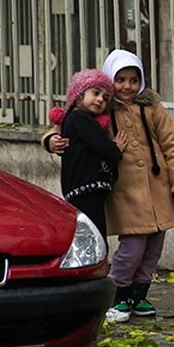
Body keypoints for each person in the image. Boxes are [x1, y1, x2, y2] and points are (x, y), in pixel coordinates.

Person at [47, 49, 174, 323]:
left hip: (159, 188)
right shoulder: (100, 109)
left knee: (153, 247)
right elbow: (65, 128)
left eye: (134, 80)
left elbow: (172, 144)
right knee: (132, 247)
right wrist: (49, 141)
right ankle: (119, 293)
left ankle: (139, 293)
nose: (127, 86)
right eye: (121, 79)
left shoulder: (151, 108)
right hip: (125, 192)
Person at [47, 69, 127, 239]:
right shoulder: (80, 119)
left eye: (106, 98)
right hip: (86, 189)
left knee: (89, 234)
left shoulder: (76, 119)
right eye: (96, 93)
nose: (100, 100)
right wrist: (117, 148)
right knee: (95, 235)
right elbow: (102, 146)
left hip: (81, 189)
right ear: (78, 95)